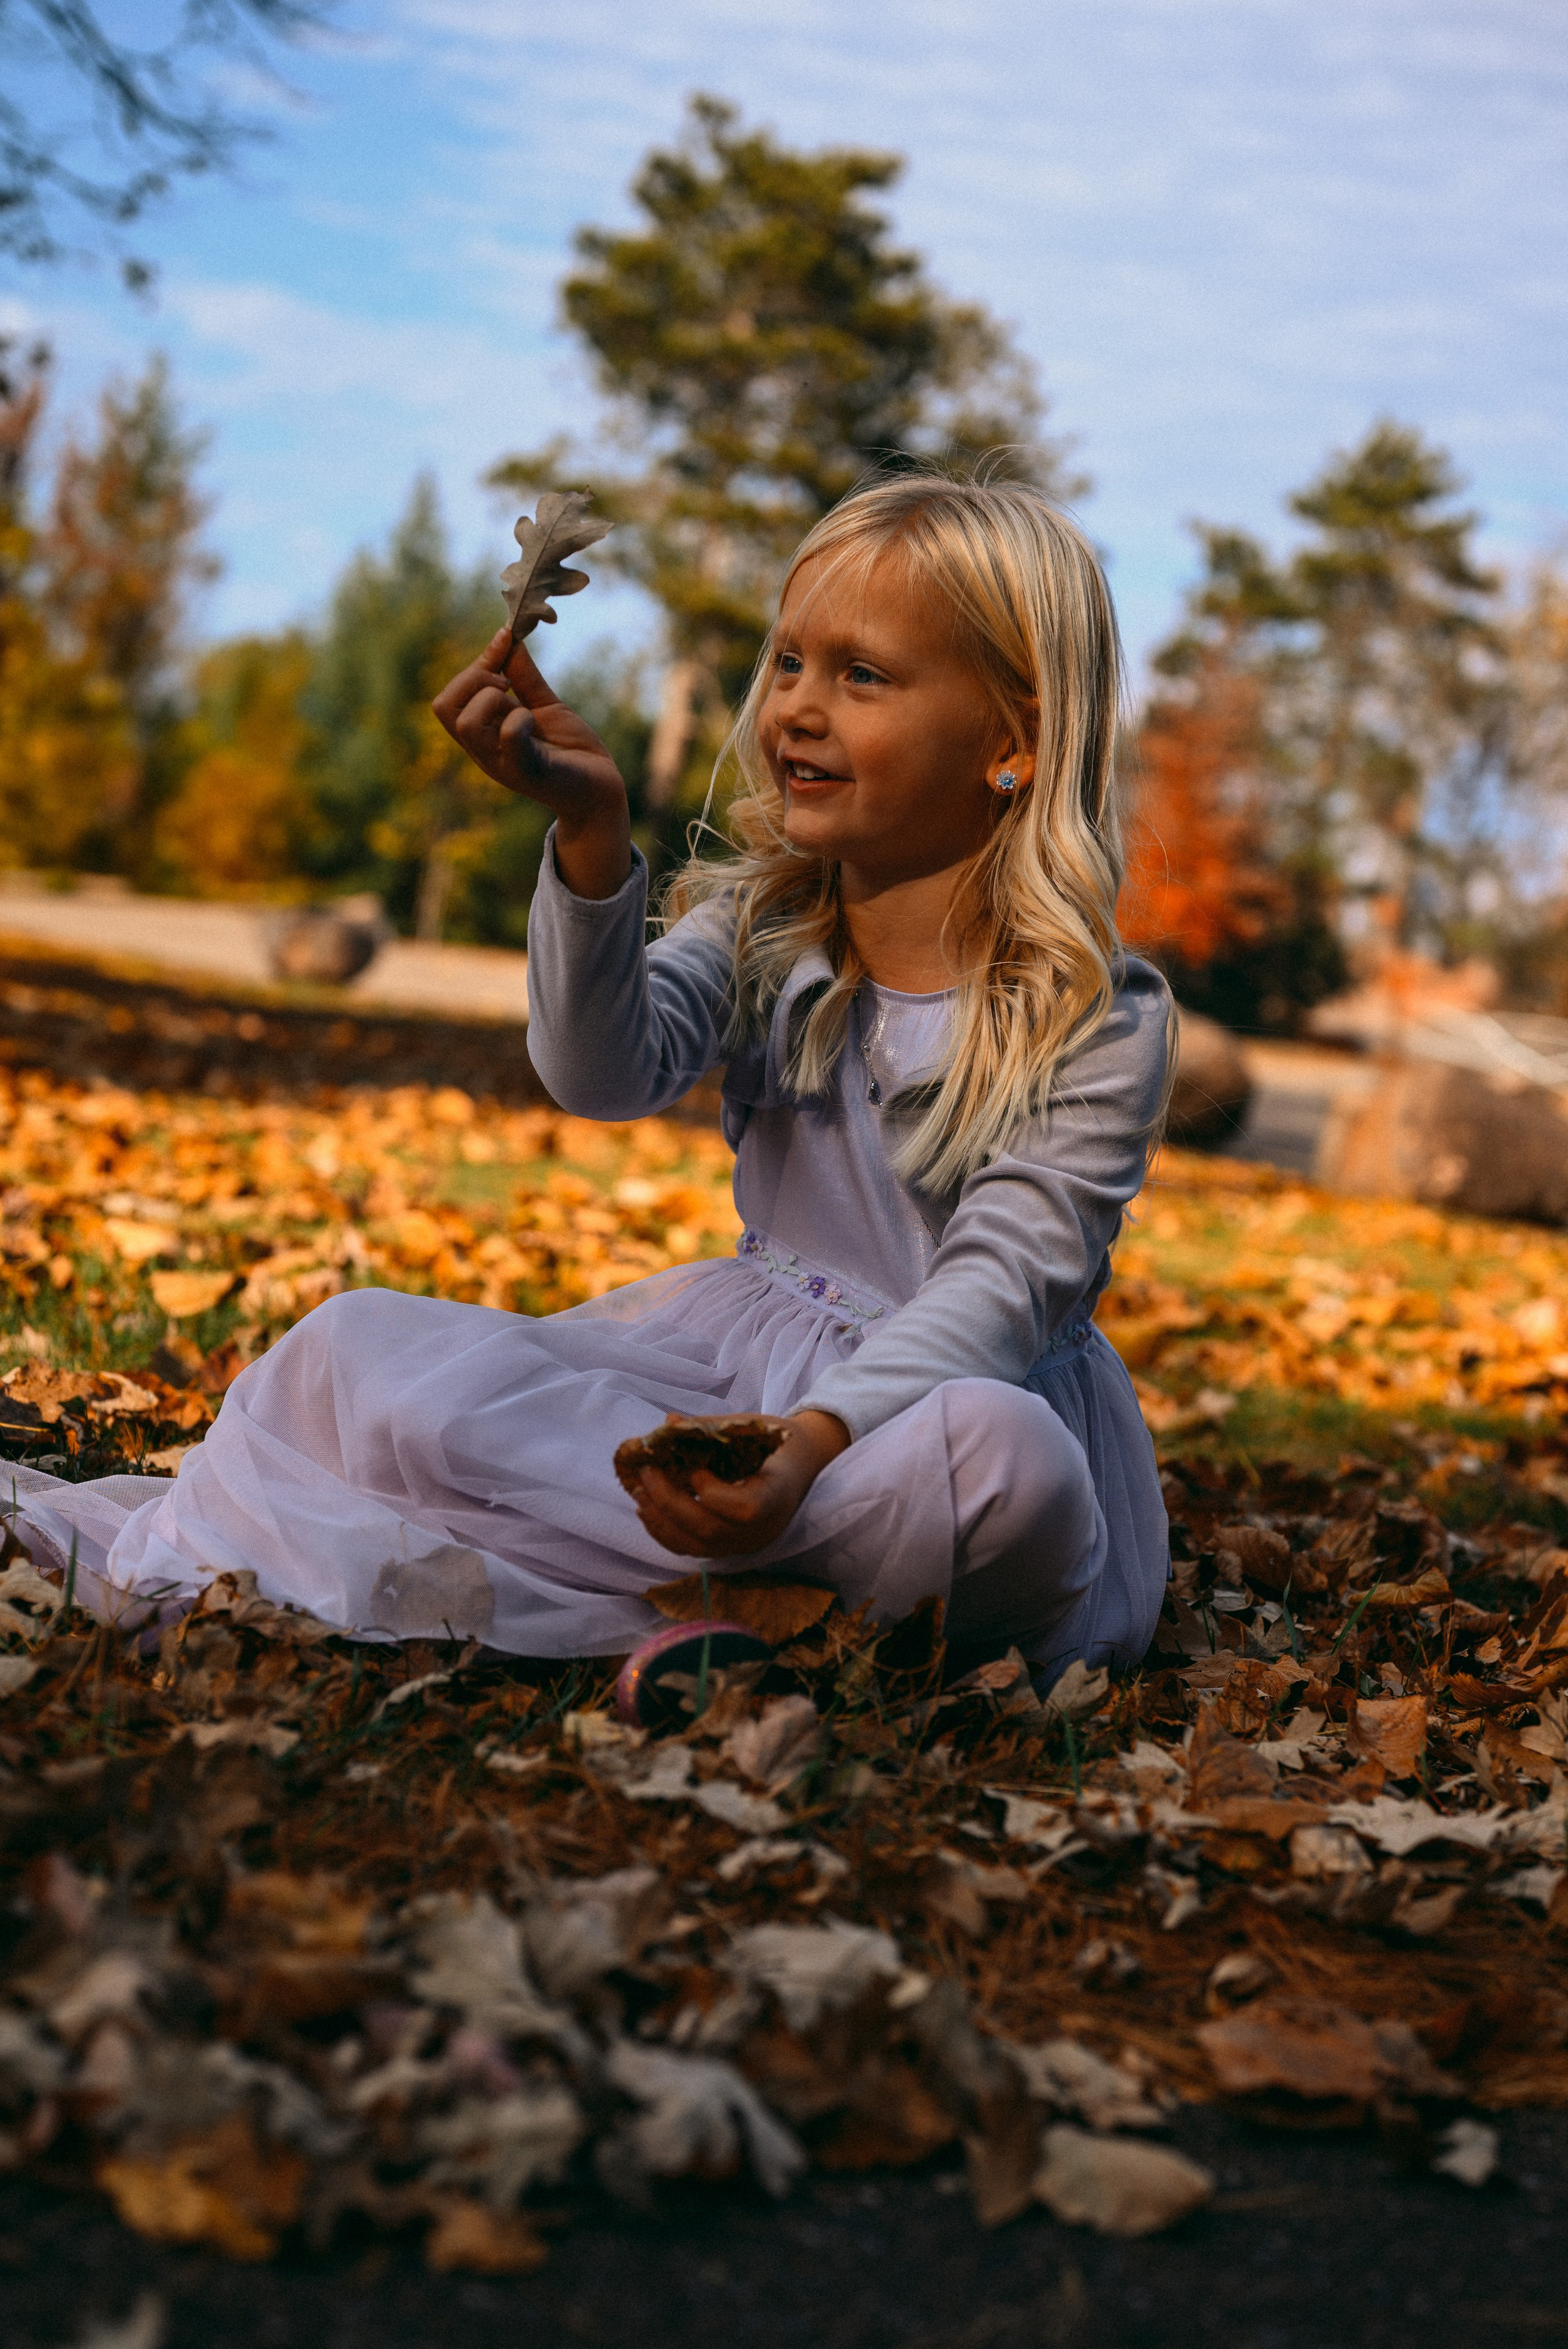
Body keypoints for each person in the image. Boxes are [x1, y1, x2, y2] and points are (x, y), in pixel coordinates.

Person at [6, 472, 1173, 1687]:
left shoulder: (1093, 1011)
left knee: (1005, 1465)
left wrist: (809, 1446)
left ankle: (682, 1601)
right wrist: (589, 837)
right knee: (355, 1344)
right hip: (728, 1374)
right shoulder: (763, 924)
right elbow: (599, 1071)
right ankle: (726, 1625)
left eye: (861, 675)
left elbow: (997, 1291)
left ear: (1014, 739)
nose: (797, 711)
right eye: (786, 663)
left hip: (929, 1416)